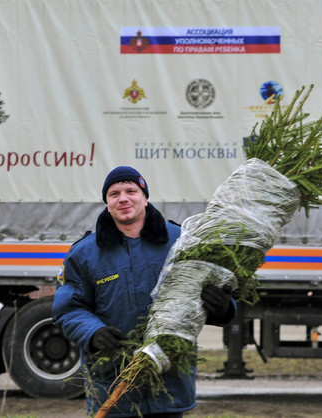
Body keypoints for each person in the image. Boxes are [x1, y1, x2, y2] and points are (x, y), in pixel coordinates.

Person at [52, 166, 236, 417]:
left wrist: (223, 307)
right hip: (113, 383)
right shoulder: (84, 253)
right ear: (107, 203)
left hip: (168, 383)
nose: (123, 198)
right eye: (114, 193)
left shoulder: (183, 242)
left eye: (131, 191)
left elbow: (206, 293)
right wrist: (93, 332)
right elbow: (69, 309)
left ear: (145, 197)